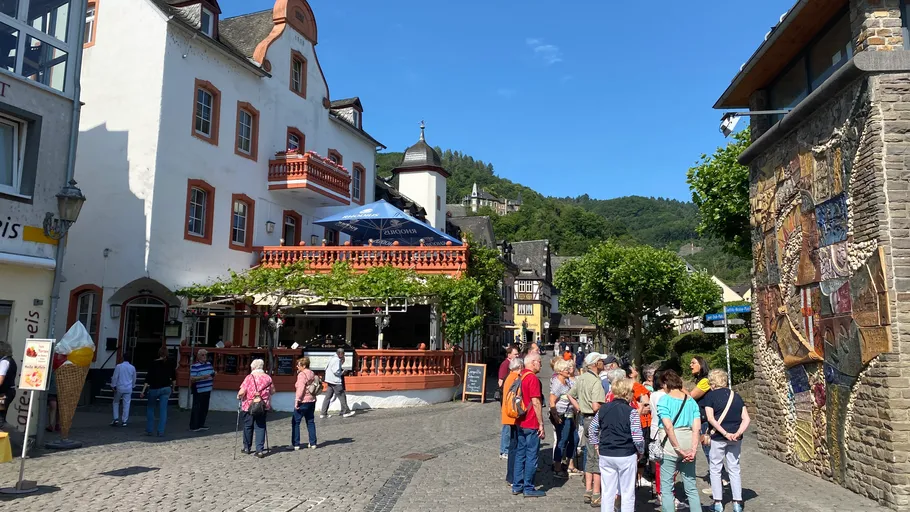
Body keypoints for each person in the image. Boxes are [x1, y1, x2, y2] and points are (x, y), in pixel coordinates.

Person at [588, 378, 644, 512]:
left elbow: (592, 428)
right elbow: (637, 437)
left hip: (606, 453)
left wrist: (596, 444)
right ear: (628, 393)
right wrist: (641, 451)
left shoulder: (603, 409)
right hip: (626, 454)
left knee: (607, 491)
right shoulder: (632, 412)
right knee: (627, 492)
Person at [704, 369, 750, 512]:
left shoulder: (710, 397)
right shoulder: (735, 396)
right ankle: (737, 503)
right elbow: (746, 418)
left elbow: (710, 419)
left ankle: (718, 503)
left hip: (718, 437)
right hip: (736, 438)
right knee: (734, 468)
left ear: (712, 382)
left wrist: (725, 433)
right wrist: (737, 433)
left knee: (715, 468)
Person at [656, 370, 702, 512]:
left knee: (667, 488)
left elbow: (668, 426)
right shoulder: (691, 401)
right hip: (689, 442)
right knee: (691, 487)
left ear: (665, 384)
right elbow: (696, 428)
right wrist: (693, 449)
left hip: (671, 445)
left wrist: (677, 448)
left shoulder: (664, 400)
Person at [566, 352, 607, 506]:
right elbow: (596, 406)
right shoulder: (596, 382)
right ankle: (597, 493)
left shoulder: (581, 378)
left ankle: (588, 490)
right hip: (595, 419)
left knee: (589, 454)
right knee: (597, 456)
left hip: (585, 418)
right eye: (601, 361)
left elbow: (570, 394)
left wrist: (580, 408)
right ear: (595, 364)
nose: (603, 363)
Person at [510, 352, 546, 498]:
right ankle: (529, 487)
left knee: (520, 454)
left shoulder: (521, 375)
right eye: (539, 361)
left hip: (520, 420)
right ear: (532, 363)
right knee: (532, 455)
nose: (541, 364)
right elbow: (536, 402)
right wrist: (541, 424)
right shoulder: (532, 379)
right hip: (531, 422)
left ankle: (517, 485)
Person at [237, 359, 275, 458]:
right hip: (263, 406)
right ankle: (260, 450)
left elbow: (242, 392)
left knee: (248, 426)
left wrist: (238, 396)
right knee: (260, 426)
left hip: (249, 406)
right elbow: (273, 391)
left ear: (253, 368)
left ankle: (247, 448)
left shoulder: (249, 377)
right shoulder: (268, 378)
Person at [549, 358, 579, 478]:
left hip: (570, 415)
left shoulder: (566, 381)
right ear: (560, 371)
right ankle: (557, 467)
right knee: (562, 440)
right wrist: (555, 415)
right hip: (563, 416)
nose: (568, 371)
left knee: (574, 439)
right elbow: (552, 401)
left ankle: (570, 463)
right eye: (566, 369)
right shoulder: (558, 383)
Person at [139, 346, 175, 437]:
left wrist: (143, 391)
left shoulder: (153, 363)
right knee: (163, 410)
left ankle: (149, 430)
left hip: (154, 388)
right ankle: (161, 431)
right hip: (166, 388)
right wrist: (173, 388)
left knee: (150, 408)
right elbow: (174, 378)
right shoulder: (170, 363)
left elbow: (148, 379)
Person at [501, 357, 523, 485]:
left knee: (513, 446)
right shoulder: (515, 378)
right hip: (514, 416)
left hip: (508, 415)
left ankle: (511, 476)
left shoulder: (509, 377)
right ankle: (513, 476)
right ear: (519, 368)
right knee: (515, 447)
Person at [498, 345, 520, 459]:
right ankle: (504, 450)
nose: (517, 356)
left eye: (517, 354)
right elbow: (500, 382)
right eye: (515, 354)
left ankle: (509, 448)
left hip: (509, 400)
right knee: (507, 426)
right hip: (506, 400)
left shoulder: (513, 364)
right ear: (509, 355)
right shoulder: (505, 365)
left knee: (511, 425)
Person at [292, 357, 318, 450]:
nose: (297, 367)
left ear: (304, 365)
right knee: (310, 421)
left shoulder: (302, 375)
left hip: (303, 401)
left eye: (298, 365)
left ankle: (296, 444)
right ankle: (313, 443)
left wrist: (297, 400)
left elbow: (300, 388)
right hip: (312, 400)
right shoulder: (311, 373)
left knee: (296, 422)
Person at [689, 356, 712, 461]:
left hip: (706, 419)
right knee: (708, 450)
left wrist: (679, 388)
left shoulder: (705, 381)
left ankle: (719, 475)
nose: (691, 365)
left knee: (709, 450)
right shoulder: (700, 381)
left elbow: (691, 396)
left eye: (693, 363)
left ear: (701, 365)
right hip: (704, 417)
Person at [321, 348, 354, 418]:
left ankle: (323, 413)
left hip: (329, 380)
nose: (344, 355)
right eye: (343, 354)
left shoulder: (331, 358)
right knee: (342, 396)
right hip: (335, 381)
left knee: (328, 397)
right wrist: (343, 372)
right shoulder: (336, 360)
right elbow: (336, 372)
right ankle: (345, 412)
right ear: (340, 354)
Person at [189, 349, 215, 431]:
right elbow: (192, 379)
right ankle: (194, 425)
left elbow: (212, 373)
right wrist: (203, 377)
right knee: (197, 408)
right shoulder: (195, 366)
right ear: (199, 356)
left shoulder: (209, 364)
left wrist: (213, 374)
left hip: (207, 388)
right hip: (199, 389)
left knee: (204, 408)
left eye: (205, 355)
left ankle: (201, 424)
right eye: (203, 355)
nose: (204, 357)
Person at [111, 354, 137, 427]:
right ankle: (124, 420)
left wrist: (113, 385)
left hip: (120, 387)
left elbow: (115, 377)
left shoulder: (119, 366)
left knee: (116, 402)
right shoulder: (132, 368)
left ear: (123, 358)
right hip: (128, 388)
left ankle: (116, 418)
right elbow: (134, 378)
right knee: (127, 404)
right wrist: (133, 385)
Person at [0, 341, 17, 430]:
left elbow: (0, 380)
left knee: (0, 422)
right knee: (1, 418)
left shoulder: (4, 362)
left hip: (3, 395)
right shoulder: (9, 360)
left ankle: (20, 438)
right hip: (7, 393)